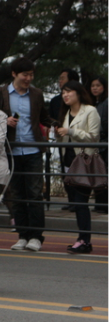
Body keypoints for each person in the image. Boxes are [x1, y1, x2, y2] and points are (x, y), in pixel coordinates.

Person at [0, 57, 52, 252]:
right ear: (14, 74)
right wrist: (5, 121)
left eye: (31, 75)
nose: (28, 78)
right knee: (17, 194)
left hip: (33, 149)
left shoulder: (36, 94)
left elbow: (43, 116)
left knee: (35, 194)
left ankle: (36, 236)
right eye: (24, 75)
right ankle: (22, 235)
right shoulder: (2, 93)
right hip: (11, 149)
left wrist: (56, 126)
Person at [56, 81, 101, 254]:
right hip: (69, 163)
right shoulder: (66, 113)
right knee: (76, 202)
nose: (65, 95)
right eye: (63, 93)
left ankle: (84, 240)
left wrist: (71, 131)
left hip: (84, 162)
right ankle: (81, 238)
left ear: (78, 93)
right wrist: (58, 134)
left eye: (68, 92)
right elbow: (65, 140)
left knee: (81, 203)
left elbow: (94, 137)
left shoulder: (90, 111)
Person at [89, 76, 108, 213]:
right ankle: (99, 204)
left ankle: (103, 205)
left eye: (98, 85)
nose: (95, 88)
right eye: (92, 85)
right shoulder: (92, 104)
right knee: (98, 175)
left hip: (104, 143)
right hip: (96, 145)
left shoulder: (106, 103)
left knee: (103, 174)